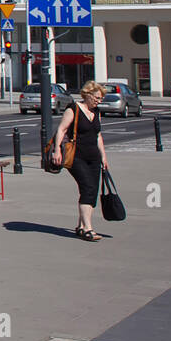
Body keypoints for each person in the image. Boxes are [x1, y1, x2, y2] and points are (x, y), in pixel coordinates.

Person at [51, 80, 109, 241]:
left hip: (94, 157)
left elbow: (98, 135)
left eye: (101, 98)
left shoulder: (96, 112)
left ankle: (81, 226)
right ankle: (88, 229)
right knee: (88, 187)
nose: (99, 101)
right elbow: (61, 130)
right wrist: (57, 149)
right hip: (77, 156)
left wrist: (103, 156)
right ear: (88, 95)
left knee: (92, 191)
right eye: (97, 97)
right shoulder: (74, 109)